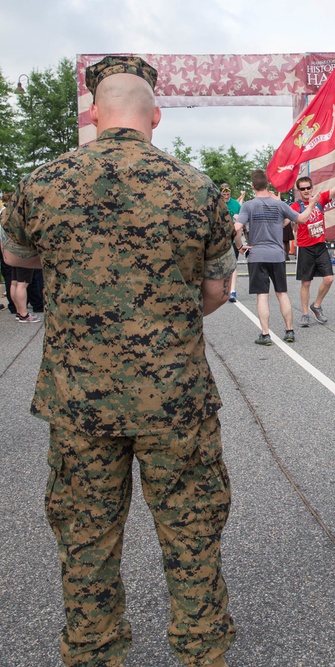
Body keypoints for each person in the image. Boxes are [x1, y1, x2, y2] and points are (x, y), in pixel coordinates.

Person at [0, 56, 236, 667]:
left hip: (80, 403)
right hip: (175, 401)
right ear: (155, 116)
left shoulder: (43, 183)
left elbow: (18, 259)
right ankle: (203, 653)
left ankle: (95, 652)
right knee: (191, 537)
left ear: (93, 115)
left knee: (86, 543)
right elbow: (215, 292)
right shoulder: (197, 188)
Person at [234, 169, 315, 346]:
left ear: (252, 186)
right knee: (282, 293)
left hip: (257, 255)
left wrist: (240, 246)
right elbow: (301, 219)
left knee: (262, 296)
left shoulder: (248, 205)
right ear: (268, 184)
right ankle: (289, 330)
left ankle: (265, 334)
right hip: (277, 255)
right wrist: (311, 204)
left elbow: (237, 227)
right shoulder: (279, 205)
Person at [290, 170, 335, 328]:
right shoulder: (295, 206)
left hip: (320, 246)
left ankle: (316, 305)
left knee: (329, 279)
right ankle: (305, 314)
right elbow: (286, 220)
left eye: (308, 188)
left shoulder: (320, 200)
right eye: (302, 189)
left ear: (312, 188)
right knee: (306, 283)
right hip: (305, 248)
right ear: (298, 191)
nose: (305, 191)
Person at [220, 182, 242, 302]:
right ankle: (223, 289)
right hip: (220, 240)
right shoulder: (217, 203)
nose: (226, 194)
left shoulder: (235, 204)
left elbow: (242, 219)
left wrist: (239, 218)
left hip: (232, 239)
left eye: (228, 192)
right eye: (224, 192)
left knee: (233, 265)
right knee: (222, 265)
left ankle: (232, 291)